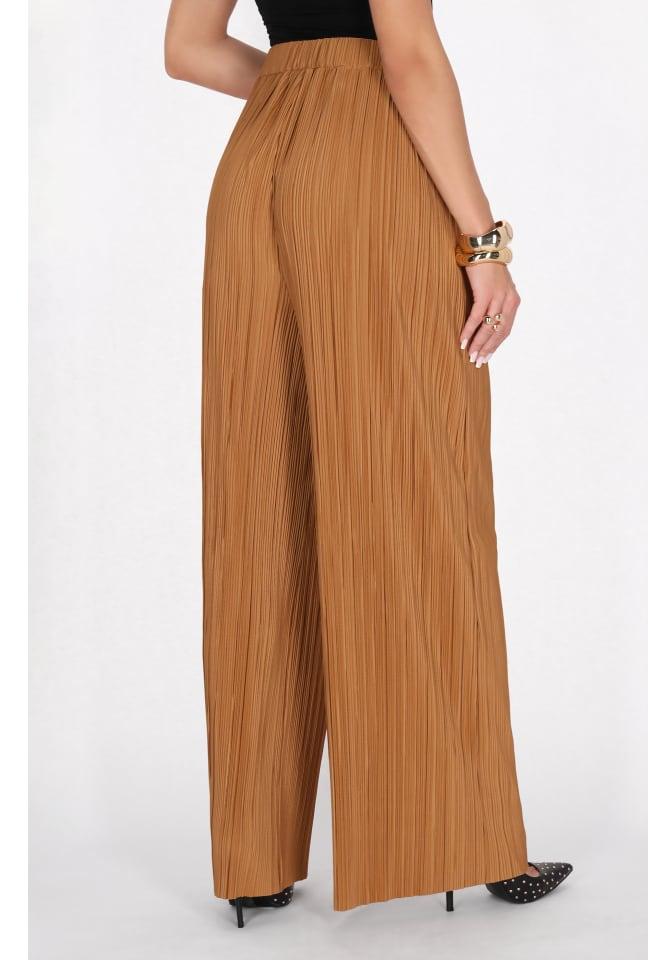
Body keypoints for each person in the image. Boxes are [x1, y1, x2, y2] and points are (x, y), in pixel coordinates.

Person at [164, 0, 572, 927]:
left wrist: (297, 87)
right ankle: (456, 838)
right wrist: (485, 243)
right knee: (413, 485)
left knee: (262, 493)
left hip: (253, 178)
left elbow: (188, 50)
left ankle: (255, 859)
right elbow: (410, 57)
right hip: (364, 173)